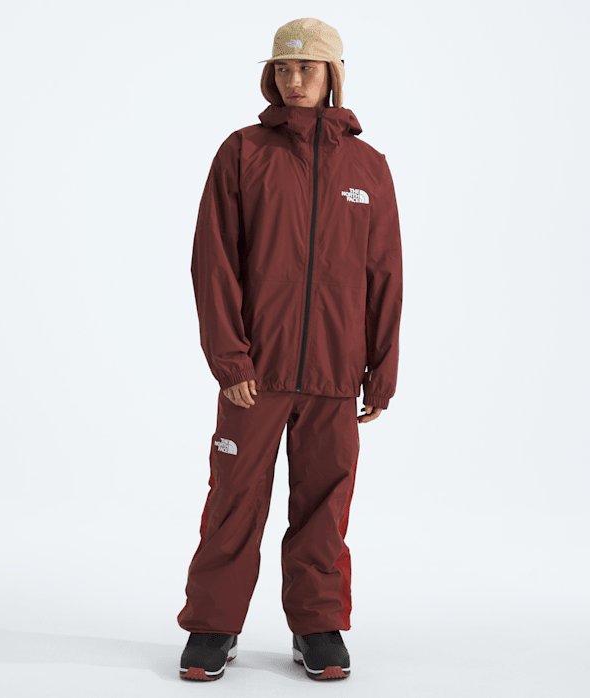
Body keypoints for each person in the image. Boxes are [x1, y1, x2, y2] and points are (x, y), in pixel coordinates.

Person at [178, 17, 403, 682]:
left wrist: (381, 372)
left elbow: (385, 274)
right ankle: (213, 624)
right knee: (234, 501)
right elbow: (213, 262)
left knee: (325, 506)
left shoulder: (368, 166)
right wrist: (229, 360)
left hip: (336, 374)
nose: (293, 79)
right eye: (282, 67)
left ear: (334, 74)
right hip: (256, 374)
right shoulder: (242, 152)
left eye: (306, 67)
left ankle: (318, 625)